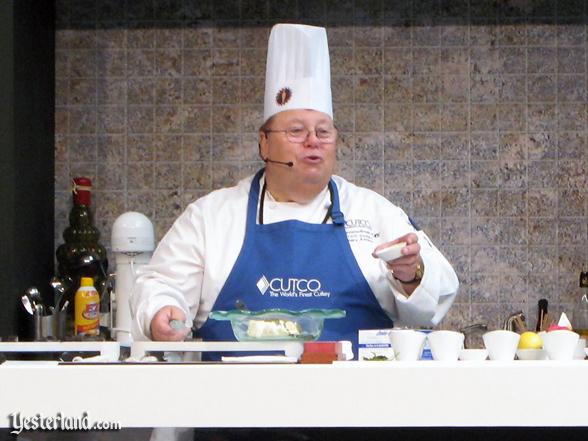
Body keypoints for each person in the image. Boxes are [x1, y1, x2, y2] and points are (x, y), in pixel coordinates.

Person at [131, 24, 459, 357]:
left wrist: (411, 274)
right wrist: (161, 311)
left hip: (352, 402)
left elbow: (436, 300)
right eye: (296, 131)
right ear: (264, 143)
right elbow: (160, 285)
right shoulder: (210, 218)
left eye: (323, 131)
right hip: (233, 400)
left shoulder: (373, 213)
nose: (313, 141)